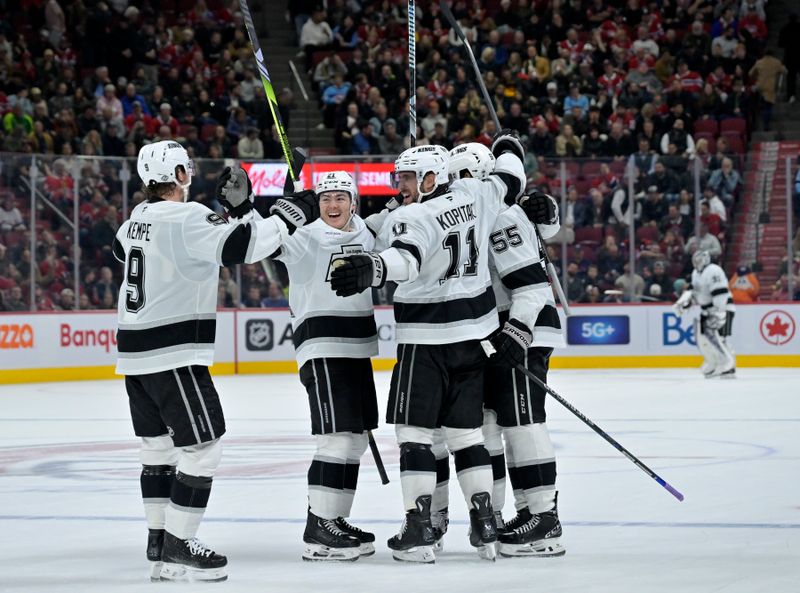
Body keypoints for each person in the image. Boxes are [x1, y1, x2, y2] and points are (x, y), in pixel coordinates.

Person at [113, 141, 318, 581]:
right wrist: (287, 213)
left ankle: (159, 541)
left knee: (157, 449)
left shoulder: (135, 220)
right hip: (173, 354)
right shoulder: (186, 217)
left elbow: (133, 253)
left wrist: (234, 213)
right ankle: (179, 542)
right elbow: (244, 247)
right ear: (181, 175)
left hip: (134, 356)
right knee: (203, 449)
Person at [329, 135, 529, 563]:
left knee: (415, 436)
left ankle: (420, 529)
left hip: (426, 343)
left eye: (406, 178)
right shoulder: (477, 193)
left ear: (431, 177)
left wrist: (375, 267)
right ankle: (486, 522)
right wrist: (510, 144)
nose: (398, 186)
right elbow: (511, 175)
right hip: (474, 341)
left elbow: (407, 261)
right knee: (467, 435)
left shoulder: (412, 216)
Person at [448, 143, 567, 558]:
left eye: (461, 176)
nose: (455, 187)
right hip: (506, 327)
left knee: (523, 422)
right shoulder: (485, 215)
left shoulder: (498, 215)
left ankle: (544, 519)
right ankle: (520, 513)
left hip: (523, 327)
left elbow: (531, 285)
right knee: (497, 423)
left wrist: (517, 333)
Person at [269, 171, 379, 562]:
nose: (333, 205)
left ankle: (335, 519)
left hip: (358, 348)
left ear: (353, 201)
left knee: (355, 439)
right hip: (322, 346)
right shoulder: (304, 237)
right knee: (334, 439)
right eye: (326, 198)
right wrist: (286, 201)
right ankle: (318, 527)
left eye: (340, 197)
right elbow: (268, 239)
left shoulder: (368, 232)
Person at [673, 251, 736, 378]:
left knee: (719, 338)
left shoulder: (714, 270)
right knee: (704, 340)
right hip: (706, 310)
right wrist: (684, 303)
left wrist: (718, 310)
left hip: (722, 308)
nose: (697, 263)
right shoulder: (695, 273)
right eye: (695, 260)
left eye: (699, 260)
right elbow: (695, 292)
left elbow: (720, 291)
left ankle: (728, 364)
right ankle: (713, 363)